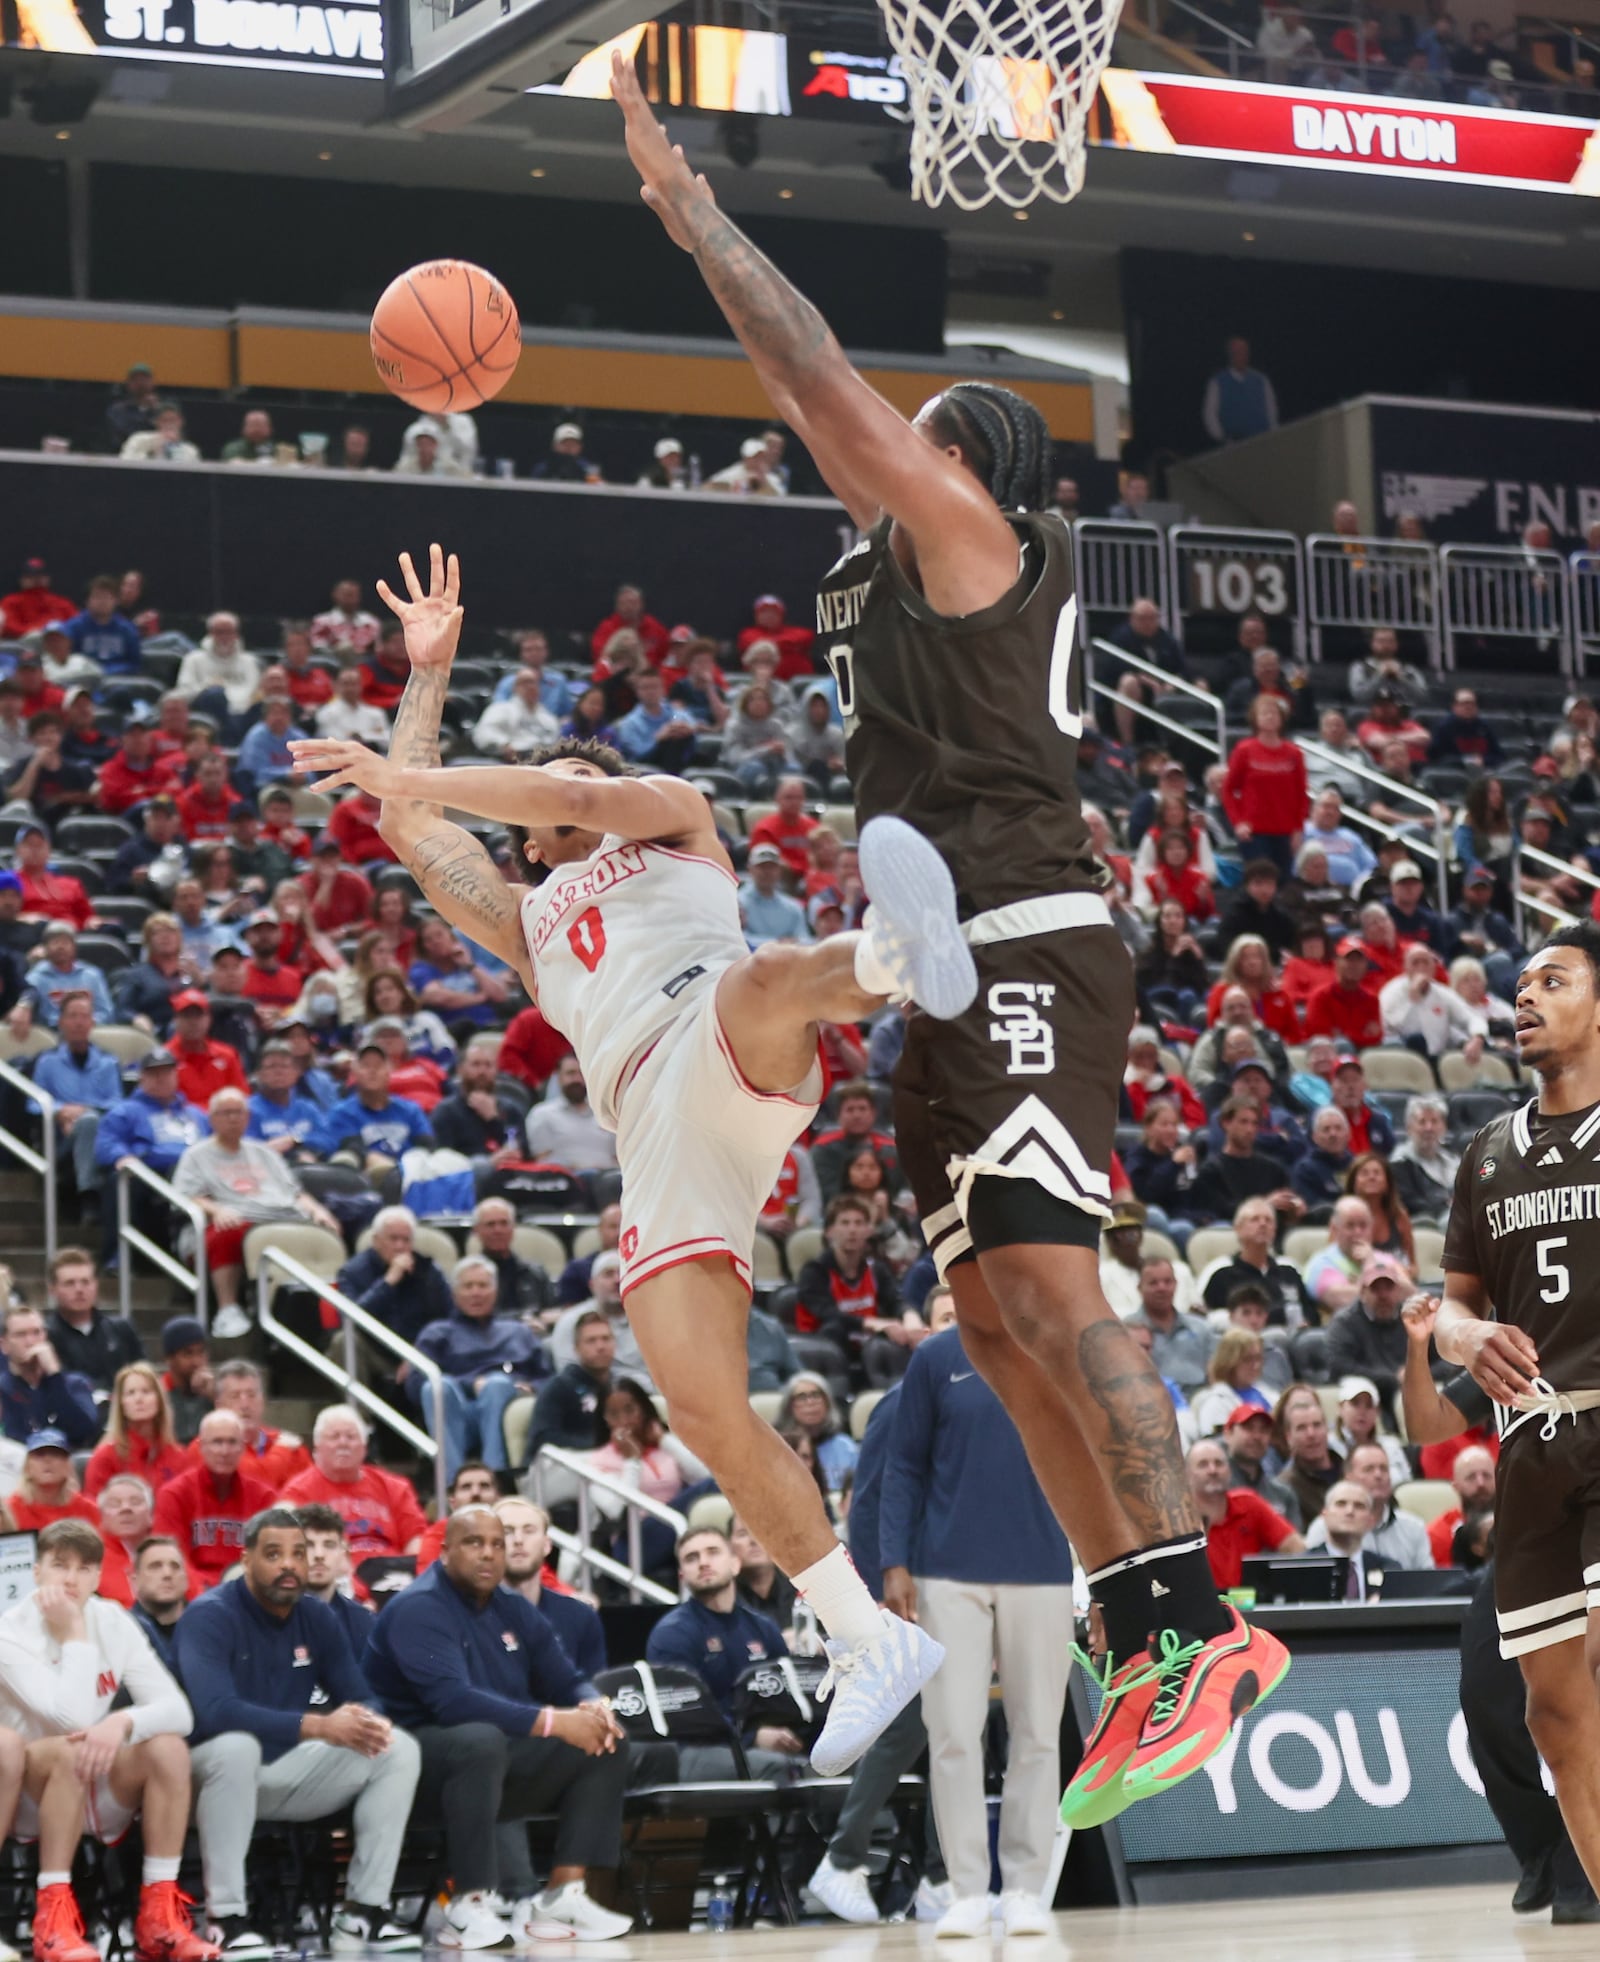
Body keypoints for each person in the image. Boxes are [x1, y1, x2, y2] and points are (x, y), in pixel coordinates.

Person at [291, 545, 978, 1780]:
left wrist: (430, 769)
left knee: (766, 978)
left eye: (558, 774)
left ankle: (893, 956)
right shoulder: (525, 918)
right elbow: (411, 825)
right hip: (649, 1130)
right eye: (538, 781)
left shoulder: (663, 812)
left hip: (710, 1024)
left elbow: (557, 800)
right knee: (705, 1408)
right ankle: (866, 1639)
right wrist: (428, 676)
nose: (552, 785)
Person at [877, 1314, 1074, 1938]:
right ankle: (965, 1889)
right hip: (946, 1573)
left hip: (1043, 1567)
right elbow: (902, 1466)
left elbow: (1090, 1467)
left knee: (1039, 1732)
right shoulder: (935, 1357)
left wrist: (1105, 1576)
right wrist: (894, 1561)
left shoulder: (1055, 1349)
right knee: (953, 1733)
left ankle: (1023, 1888)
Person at [364, 1508, 633, 1945]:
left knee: (605, 1741)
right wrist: (553, 1721)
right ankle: (468, 1902)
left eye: (497, 1544)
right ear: (446, 1551)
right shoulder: (418, 1607)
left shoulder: (512, 1607)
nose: (488, 1554)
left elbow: (564, 1677)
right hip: (409, 1764)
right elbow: (452, 1703)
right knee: (479, 1740)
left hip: (489, 1762)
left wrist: (592, 1704)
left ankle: (561, 1896)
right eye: (474, 1543)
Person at [174, 1508, 422, 1956]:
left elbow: (361, 1693)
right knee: (236, 1747)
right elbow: (214, 1712)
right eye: (273, 1554)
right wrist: (319, 1726)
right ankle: (225, 1919)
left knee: (396, 1747)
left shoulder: (315, 1616)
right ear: (247, 1560)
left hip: (284, 1771)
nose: (288, 1565)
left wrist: (367, 1721)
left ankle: (365, 1910)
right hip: (204, 1781)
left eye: (298, 1554)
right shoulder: (208, 1616)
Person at [0, 1518, 216, 1962]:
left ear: (99, 1577)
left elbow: (180, 1711)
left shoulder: (114, 1619)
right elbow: (70, 1717)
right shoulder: (10, 1631)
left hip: (97, 1780)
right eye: (59, 1566)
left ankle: (159, 1916)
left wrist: (121, 1725)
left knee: (168, 1746)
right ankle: (52, 1919)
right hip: (28, 1796)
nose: (71, 1579)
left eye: (84, 1569)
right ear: (36, 1571)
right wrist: (74, 1635)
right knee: (68, 1747)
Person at [172, 1088, 343, 1337]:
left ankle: (329, 1314)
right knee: (226, 1230)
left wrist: (319, 1211)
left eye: (239, 1112)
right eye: (226, 1113)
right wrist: (216, 1209)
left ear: (248, 1117)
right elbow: (186, 1196)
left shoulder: (265, 1153)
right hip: (237, 1217)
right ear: (212, 1119)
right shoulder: (196, 1155)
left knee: (328, 1230)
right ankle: (227, 1309)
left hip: (283, 1215)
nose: (233, 1118)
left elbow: (296, 1193)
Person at [645, 1527, 807, 1781]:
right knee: (779, 1769)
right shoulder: (671, 1634)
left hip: (761, 1742)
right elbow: (687, 1715)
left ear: (735, 1564)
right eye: (692, 1558)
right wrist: (754, 1737)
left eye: (713, 1553)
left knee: (834, 1759)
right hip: (697, 1749)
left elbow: (787, 1695)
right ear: (682, 1575)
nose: (703, 1563)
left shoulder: (763, 1628)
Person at [412, 1257, 545, 1480]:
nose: (476, 1293)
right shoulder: (437, 1333)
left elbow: (547, 1377)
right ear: (454, 1293)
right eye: (468, 1286)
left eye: (483, 1286)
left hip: (503, 1402)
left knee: (496, 1384)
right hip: (457, 1410)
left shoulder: (518, 1332)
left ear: (495, 1291)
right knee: (436, 1386)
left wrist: (530, 1386)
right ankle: (453, 1484)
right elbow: (415, 1383)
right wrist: (469, 1384)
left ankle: (494, 1479)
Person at [153, 1410, 276, 1593]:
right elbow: (171, 1559)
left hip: (248, 1592)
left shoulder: (264, 1497)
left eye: (232, 1442)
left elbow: (270, 1558)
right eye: (217, 1442)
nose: (225, 1451)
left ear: (243, 1448)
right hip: (192, 1594)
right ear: (201, 1446)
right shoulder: (174, 1494)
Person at [280, 1407, 426, 1558]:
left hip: (392, 1574)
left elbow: (416, 1540)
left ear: (364, 1448)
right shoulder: (298, 1492)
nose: (343, 1443)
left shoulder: (395, 1487)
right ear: (317, 1447)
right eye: (334, 1437)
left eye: (351, 1437)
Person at [1307, 1438, 1432, 1568]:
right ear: (1348, 1477)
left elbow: (1426, 1581)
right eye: (1368, 1469)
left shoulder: (1413, 1528)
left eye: (1384, 1469)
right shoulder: (1325, 1527)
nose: (1378, 1475)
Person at [41, 1245, 141, 1396]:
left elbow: (144, 1375)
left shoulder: (121, 1329)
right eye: (69, 1283)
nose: (79, 1289)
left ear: (96, 1285)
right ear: (52, 1289)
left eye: (85, 1282)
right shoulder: (44, 1336)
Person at [85, 1363, 190, 1499]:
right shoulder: (105, 1458)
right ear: (121, 1404)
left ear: (159, 1400)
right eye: (130, 1393)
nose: (138, 1399)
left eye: (146, 1391)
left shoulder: (179, 1457)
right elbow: (95, 1511)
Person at [0, 1306, 99, 1447]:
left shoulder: (75, 1383)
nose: (30, 1341)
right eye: (21, 1335)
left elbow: (83, 1430)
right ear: (4, 1345)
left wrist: (54, 1374)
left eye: (37, 1333)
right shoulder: (3, 1389)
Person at [295, 1505, 375, 1659]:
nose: (319, 1555)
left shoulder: (362, 1620)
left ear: (342, 1552)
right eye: (309, 1545)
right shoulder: (270, 1619)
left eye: (329, 1545)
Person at [1201, 337, 1278, 446]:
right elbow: (1209, 413)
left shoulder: (1261, 380)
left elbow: (1271, 410)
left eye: (1244, 352)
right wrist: (1222, 436)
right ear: (1230, 355)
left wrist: (1273, 433)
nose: (1242, 355)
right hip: (1236, 445)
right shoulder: (1217, 382)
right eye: (1237, 352)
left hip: (1264, 440)